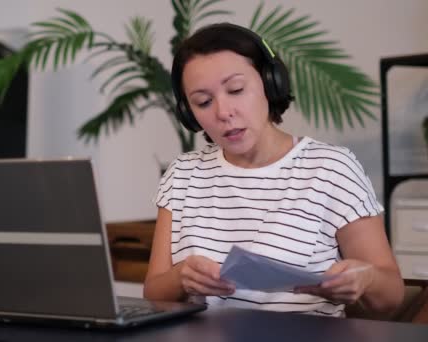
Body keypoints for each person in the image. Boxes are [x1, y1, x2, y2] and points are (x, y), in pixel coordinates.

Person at [143, 22, 404, 317]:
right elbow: (153, 294)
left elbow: (391, 296)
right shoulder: (182, 175)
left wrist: (365, 277)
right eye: (203, 102)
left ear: (270, 83)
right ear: (189, 113)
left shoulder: (331, 169)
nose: (223, 112)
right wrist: (181, 277)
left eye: (236, 89)